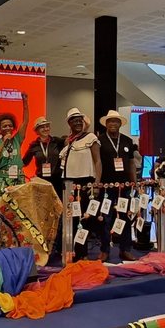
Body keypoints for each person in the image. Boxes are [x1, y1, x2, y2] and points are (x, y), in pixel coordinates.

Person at [60, 108, 101, 261]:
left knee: (84, 218)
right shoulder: (69, 140)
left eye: (80, 119)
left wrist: (96, 183)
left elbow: (97, 161)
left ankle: (82, 252)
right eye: (74, 120)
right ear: (69, 123)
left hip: (85, 183)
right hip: (70, 182)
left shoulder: (91, 137)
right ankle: (73, 250)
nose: (77, 122)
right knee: (72, 218)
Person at [96, 110, 138, 262]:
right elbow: (96, 163)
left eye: (116, 121)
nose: (113, 124)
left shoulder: (127, 141)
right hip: (106, 187)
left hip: (125, 186)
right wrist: (97, 183)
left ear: (120, 124)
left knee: (126, 217)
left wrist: (135, 182)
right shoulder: (99, 141)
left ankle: (125, 250)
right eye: (110, 121)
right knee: (105, 219)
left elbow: (132, 163)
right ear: (106, 124)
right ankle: (105, 250)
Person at [0, 93, 30, 209]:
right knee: (2, 210)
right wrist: (3, 144)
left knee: (20, 209)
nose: (8, 128)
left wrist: (25, 103)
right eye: (4, 126)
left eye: (10, 126)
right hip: (1, 179)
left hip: (18, 178)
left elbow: (25, 122)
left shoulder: (17, 139)